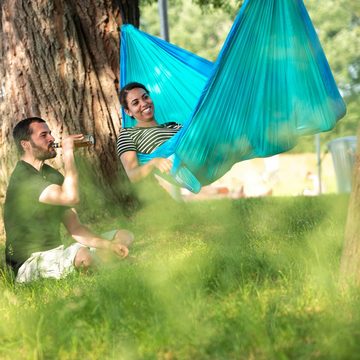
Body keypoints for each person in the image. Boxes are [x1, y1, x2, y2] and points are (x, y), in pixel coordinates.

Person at [4, 117, 134, 283]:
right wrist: (68, 154)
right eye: (43, 135)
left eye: (50, 133)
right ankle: (108, 265)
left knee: (124, 235)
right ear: (25, 144)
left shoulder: (50, 175)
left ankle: (102, 259)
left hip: (57, 252)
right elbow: (71, 197)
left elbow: (75, 228)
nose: (51, 138)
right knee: (83, 255)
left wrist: (109, 245)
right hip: (28, 264)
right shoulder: (23, 177)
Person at [117, 82, 182, 182]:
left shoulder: (173, 125)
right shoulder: (128, 134)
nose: (144, 103)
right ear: (128, 111)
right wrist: (154, 163)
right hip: (179, 170)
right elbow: (132, 175)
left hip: (201, 158)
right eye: (135, 103)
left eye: (145, 97)